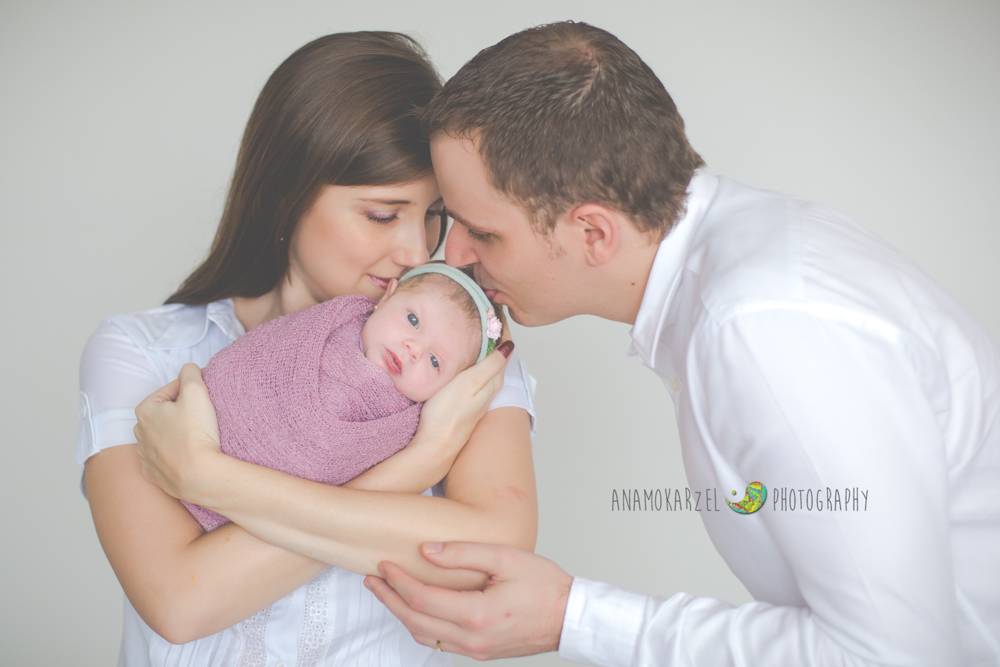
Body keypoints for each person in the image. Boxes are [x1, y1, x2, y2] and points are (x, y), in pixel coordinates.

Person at [348, 21, 997, 666]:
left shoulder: (759, 330)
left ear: (594, 235)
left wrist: (570, 616)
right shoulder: (748, 268)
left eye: (482, 233)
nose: (452, 256)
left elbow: (895, 655)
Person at [77, 31, 537, 667]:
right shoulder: (144, 354)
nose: (415, 251)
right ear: (284, 196)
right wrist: (420, 460)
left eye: (433, 214)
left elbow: (491, 560)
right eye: (382, 214)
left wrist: (208, 478)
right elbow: (180, 603)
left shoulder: (453, 358)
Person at [184, 265, 504, 532]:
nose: (413, 348)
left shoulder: (413, 423)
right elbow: (255, 362)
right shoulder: (330, 324)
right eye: (413, 320)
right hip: (204, 430)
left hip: (248, 520)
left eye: (435, 362)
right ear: (387, 296)